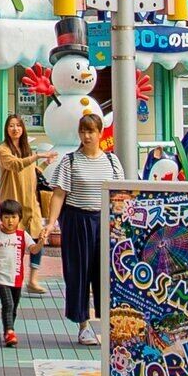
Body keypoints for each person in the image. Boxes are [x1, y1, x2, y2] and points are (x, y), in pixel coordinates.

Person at [55, 106, 123, 343]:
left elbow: (121, 196)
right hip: (77, 220)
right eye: (83, 131)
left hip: (105, 222)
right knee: (78, 272)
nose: (87, 136)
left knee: (106, 273)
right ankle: (83, 325)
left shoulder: (112, 162)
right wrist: (50, 223)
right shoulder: (70, 161)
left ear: (100, 133)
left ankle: (109, 323)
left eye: (91, 131)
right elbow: (59, 194)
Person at [0, 192, 36, 346]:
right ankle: (10, 332)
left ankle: (8, 331)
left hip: (17, 277)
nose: (10, 221)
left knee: (14, 307)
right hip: (0, 277)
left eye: (14, 217)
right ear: (1, 218)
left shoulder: (23, 235)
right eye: (6, 217)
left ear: (19, 218)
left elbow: (34, 249)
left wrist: (41, 242)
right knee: (8, 304)